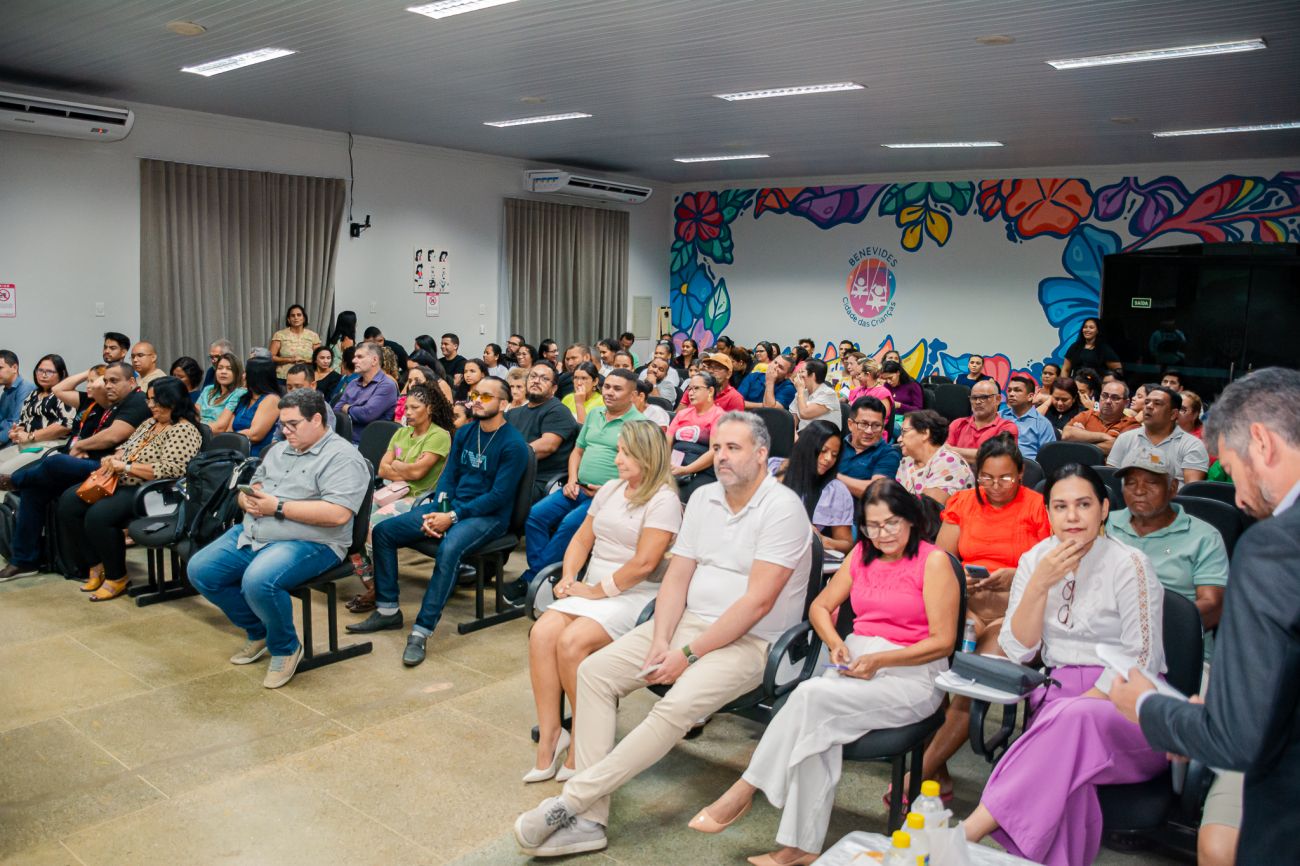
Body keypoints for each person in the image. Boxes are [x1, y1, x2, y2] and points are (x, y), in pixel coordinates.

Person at [513, 412, 814, 858]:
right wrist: (660, 639)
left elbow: (758, 603)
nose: (721, 456)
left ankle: (573, 802)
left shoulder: (782, 509)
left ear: (761, 454)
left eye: (734, 448)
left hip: (753, 641)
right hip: (688, 622)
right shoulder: (706, 498)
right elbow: (677, 577)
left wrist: (686, 654)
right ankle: (591, 821)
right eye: (717, 447)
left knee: (675, 706)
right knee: (595, 672)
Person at [692, 479, 957, 864]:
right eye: (872, 525)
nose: (882, 534)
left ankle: (745, 790)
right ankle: (800, 849)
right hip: (856, 661)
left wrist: (880, 661)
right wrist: (835, 643)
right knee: (816, 725)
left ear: (911, 519)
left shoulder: (933, 562)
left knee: (810, 697)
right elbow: (820, 606)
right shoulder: (862, 554)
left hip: (912, 673)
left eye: (891, 523)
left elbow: (944, 642)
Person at [1109, 367, 1300, 865]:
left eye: (1232, 470)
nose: (1237, 498)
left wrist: (1149, 706)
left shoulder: (1276, 547)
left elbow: (1236, 738)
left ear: (1262, 443)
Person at [962, 464, 1167, 866]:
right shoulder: (1035, 559)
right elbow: (1018, 650)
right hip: (1059, 705)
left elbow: (1142, 659)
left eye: (1084, 504)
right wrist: (1039, 584)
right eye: (1060, 506)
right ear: (1048, 513)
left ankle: (967, 832)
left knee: (1072, 722)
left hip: (1127, 706)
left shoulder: (1130, 563)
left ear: (1104, 509)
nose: (1072, 516)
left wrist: (1079, 705)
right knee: (1069, 779)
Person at [527, 420, 681, 782]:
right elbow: (582, 539)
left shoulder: (664, 500)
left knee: (572, 642)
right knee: (542, 633)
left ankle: (586, 737)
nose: (617, 459)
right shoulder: (611, 489)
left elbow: (644, 564)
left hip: (633, 594)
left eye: (625, 453)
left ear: (647, 455)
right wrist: (569, 577)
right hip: (592, 587)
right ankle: (552, 734)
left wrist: (597, 591)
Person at [187, 388, 370, 688]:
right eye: (282, 424)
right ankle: (260, 631)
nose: (285, 431)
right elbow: (255, 486)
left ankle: (285, 647)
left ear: (317, 420)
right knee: (201, 570)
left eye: (292, 424)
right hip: (257, 530)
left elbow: (338, 514)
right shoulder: (279, 450)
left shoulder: (343, 458)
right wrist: (245, 500)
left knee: (258, 581)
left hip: (313, 541)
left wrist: (278, 507)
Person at [347, 376, 529, 666]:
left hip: (488, 517)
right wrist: (441, 508)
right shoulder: (466, 432)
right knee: (383, 532)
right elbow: (449, 476)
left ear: (504, 403)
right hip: (451, 507)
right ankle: (388, 610)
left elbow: (498, 497)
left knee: (448, 550)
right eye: (475, 395)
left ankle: (421, 631)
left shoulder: (514, 445)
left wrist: (452, 517)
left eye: (486, 397)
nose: (477, 401)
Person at [917, 434, 1050, 798]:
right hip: (968, 605)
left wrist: (1015, 575)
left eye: (1005, 478)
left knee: (973, 684)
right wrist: (961, 576)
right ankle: (938, 774)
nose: (995, 486)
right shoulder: (964, 501)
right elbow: (942, 559)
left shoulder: (1037, 506)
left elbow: (1048, 569)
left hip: (1012, 613)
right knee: (929, 674)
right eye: (986, 478)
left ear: (1020, 474)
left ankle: (917, 777)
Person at [57, 376, 204, 599]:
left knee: (98, 515)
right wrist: (114, 458)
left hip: (151, 492)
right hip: (122, 481)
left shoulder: (184, 430)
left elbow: (174, 470)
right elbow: (126, 447)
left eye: (156, 401)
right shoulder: (149, 423)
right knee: (69, 502)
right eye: (149, 400)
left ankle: (117, 576)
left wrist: (127, 467)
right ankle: (96, 565)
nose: (151, 405)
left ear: (173, 401)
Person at [0, 363, 150, 581]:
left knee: (56, 462)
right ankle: (24, 561)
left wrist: (81, 445)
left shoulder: (136, 401)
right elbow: (61, 390)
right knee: (34, 490)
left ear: (132, 382)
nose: (107, 385)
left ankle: (14, 481)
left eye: (114, 381)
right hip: (89, 462)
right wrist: (90, 374)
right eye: (106, 381)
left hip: (108, 469)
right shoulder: (107, 403)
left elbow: (113, 436)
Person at [519, 369, 645, 593]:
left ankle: (533, 581)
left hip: (608, 496)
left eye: (617, 389)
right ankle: (543, 576)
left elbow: (643, 469)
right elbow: (577, 451)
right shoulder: (595, 414)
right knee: (534, 516)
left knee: (569, 525)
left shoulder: (640, 425)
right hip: (576, 488)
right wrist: (572, 479)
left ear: (633, 395)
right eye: (607, 387)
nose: (609, 392)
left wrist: (609, 490)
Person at [1107, 451, 1228, 660]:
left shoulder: (1204, 537)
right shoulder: (1106, 524)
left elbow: (1213, 606)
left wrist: (1143, 625)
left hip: (1178, 651)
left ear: (1172, 488)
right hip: (1109, 645)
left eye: (1151, 483)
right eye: (1131, 483)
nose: (1139, 491)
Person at [346, 382, 454, 612]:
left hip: (419, 499)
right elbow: (382, 469)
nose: (408, 412)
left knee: (374, 526)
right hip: (392, 492)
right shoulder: (401, 432)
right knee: (352, 521)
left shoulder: (439, 436)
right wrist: (403, 468)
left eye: (415, 408)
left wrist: (396, 465)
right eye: (407, 408)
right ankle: (373, 584)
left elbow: (417, 474)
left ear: (430, 409)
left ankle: (381, 588)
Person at [770, 420, 855, 555]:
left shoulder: (835, 491)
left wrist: (821, 540)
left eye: (834, 455)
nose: (828, 459)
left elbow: (846, 544)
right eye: (823, 451)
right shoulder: (774, 468)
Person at [507, 361, 580, 499]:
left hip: (539, 482)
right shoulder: (513, 413)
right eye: (533, 376)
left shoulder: (558, 410)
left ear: (554, 388)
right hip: (512, 475)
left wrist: (506, 457)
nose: (536, 381)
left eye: (544, 379)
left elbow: (547, 446)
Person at [1107, 385, 1209, 484]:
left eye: (1157, 403)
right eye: (1147, 402)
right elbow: (1109, 481)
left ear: (1173, 414)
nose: (1149, 406)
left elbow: (1190, 492)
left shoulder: (1192, 445)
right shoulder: (1125, 438)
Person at [0, 353, 74, 474]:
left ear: (61, 373)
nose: (43, 375)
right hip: (27, 445)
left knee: (2, 471)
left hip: (49, 446)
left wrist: (31, 436)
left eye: (49, 372)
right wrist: (17, 432)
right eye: (40, 370)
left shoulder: (65, 394)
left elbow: (65, 426)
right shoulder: (34, 394)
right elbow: (24, 422)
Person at [895, 410, 974, 507]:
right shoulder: (906, 462)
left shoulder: (949, 461)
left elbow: (929, 510)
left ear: (925, 433)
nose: (899, 439)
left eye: (904, 431)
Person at [667, 371, 725, 501]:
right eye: (689, 389)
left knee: (685, 496)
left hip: (702, 470)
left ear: (710, 391)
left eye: (696, 388)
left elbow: (714, 451)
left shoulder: (719, 415)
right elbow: (666, 443)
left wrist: (686, 469)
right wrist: (667, 465)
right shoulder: (682, 414)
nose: (690, 393)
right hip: (674, 465)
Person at [333, 342, 398, 445]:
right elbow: (336, 411)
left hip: (365, 445)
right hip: (341, 440)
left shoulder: (386, 385)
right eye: (355, 357)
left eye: (359, 357)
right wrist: (356, 409)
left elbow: (367, 414)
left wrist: (347, 408)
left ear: (374, 360)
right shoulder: (353, 383)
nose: (354, 360)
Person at [836, 396, 902, 498]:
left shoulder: (888, 454)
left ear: (883, 427)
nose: (869, 431)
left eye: (876, 425)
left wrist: (833, 476)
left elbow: (876, 491)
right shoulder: (836, 446)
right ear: (850, 424)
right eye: (863, 424)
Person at [216, 357, 282, 457]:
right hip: (234, 452)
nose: (243, 376)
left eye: (246, 373)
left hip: (255, 457)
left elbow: (255, 434)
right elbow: (229, 429)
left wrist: (230, 438)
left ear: (255, 376)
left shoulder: (271, 399)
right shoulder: (244, 398)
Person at [945, 380, 1018, 465]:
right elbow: (944, 455)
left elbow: (997, 458)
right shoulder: (957, 424)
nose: (978, 402)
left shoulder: (1007, 427)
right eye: (974, 398)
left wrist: (952, 450)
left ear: (998, 399)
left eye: (984, 397)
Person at [1062, 377, 1138, 456]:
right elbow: (1066, 434)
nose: (1108, 401)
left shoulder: (1131, 424)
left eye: (1115, 398)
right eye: (1104, 396)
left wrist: (1081, 437)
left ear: (1126, 403)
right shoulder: (1087, 414)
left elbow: (1116, 447)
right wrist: (1103, 436)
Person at [270, 364, 336, 444]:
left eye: (298, 387)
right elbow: (277, 437)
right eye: (289, 388)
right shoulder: (288, 408)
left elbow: (324, 443)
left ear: (313, 385)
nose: (293, 392)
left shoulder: (323, 410)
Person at [998, 374, 1057, 460]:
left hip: (1029, 466)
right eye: (1009, 390)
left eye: (1017, 390)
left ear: (1030, 396)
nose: (1011, 394)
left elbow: (1049, 456)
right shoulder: (998, 416)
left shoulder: (1042, 423)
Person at [269, 304, 321, 379]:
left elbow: (319, 358)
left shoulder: (313, 336)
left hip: (307, 376)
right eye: (292, 316)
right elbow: (271, 357)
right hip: (284, 377)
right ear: (288, 319)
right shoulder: (279, 335)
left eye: (299, 315)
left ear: (304, 318)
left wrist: (305, 361)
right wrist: (289, 359)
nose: (296, 318)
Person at [680, 353, 744, 413]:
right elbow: (680, 413)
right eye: (709, 367)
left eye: (717, 368)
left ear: (728, 374)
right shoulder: (696, 388)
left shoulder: (735, 398)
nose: (711, 371)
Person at [1, 350, 40, 445]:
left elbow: (15, 424)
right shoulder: (5, 394)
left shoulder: (26, 388)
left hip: (18, 446)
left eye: (0, 368)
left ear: (14, 368)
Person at [196, 352, 246, 426]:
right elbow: (194, 416)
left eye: (229, 369)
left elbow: (220, 426)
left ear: (237, 373)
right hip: (195, 429)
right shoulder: (208, 389)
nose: (223, 372)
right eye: (220, 368)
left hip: (213, 432)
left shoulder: (238, 393)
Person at [790, 359, 840, 433]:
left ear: (813, 375)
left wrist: (800, 391)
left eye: (802, 372)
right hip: (803, 435)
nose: (798, 376)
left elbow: (804, 414)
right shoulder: (803, 393)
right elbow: (793, 420)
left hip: (822, 437)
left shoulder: (829, 394)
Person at [880, 360, 922, 428]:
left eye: (890, 378)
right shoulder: (887, 385)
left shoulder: (913, 386)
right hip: (890, 418)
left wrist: (900, 405)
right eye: (886, 379)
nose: (888, 381)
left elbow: (919, 410)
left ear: (898, 372)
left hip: (907, 420)